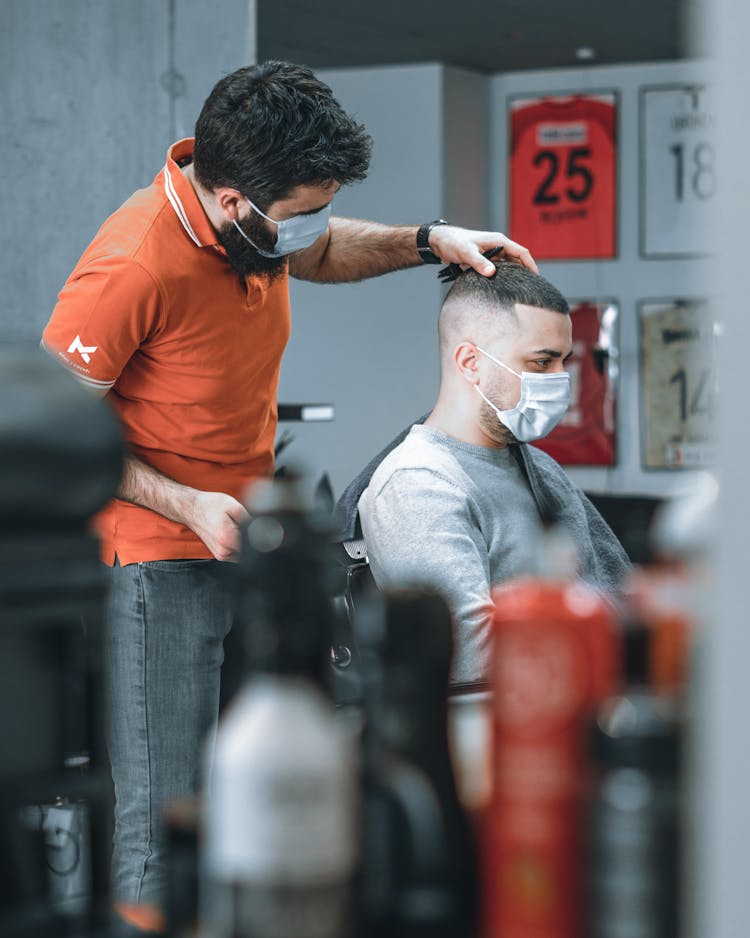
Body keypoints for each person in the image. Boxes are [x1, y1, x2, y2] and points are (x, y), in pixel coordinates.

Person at [40, 60, 536, 919]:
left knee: (259, 802)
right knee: (167, 822)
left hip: (245, 549)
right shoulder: (130, 265)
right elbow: (56, 431)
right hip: (159, 560)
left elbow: (325, 251)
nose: (315, 230)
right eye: (302, 215)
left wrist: (429, 240)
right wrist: (188, 503)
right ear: (234, 202)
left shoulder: (250, 230)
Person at [344, 261, 631, 686]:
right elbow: (470, 653)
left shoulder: (538, 468)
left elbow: (618, 595)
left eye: (564, 362)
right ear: (470, 362)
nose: (561, 381)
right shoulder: (417, 485)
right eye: (542, 363)